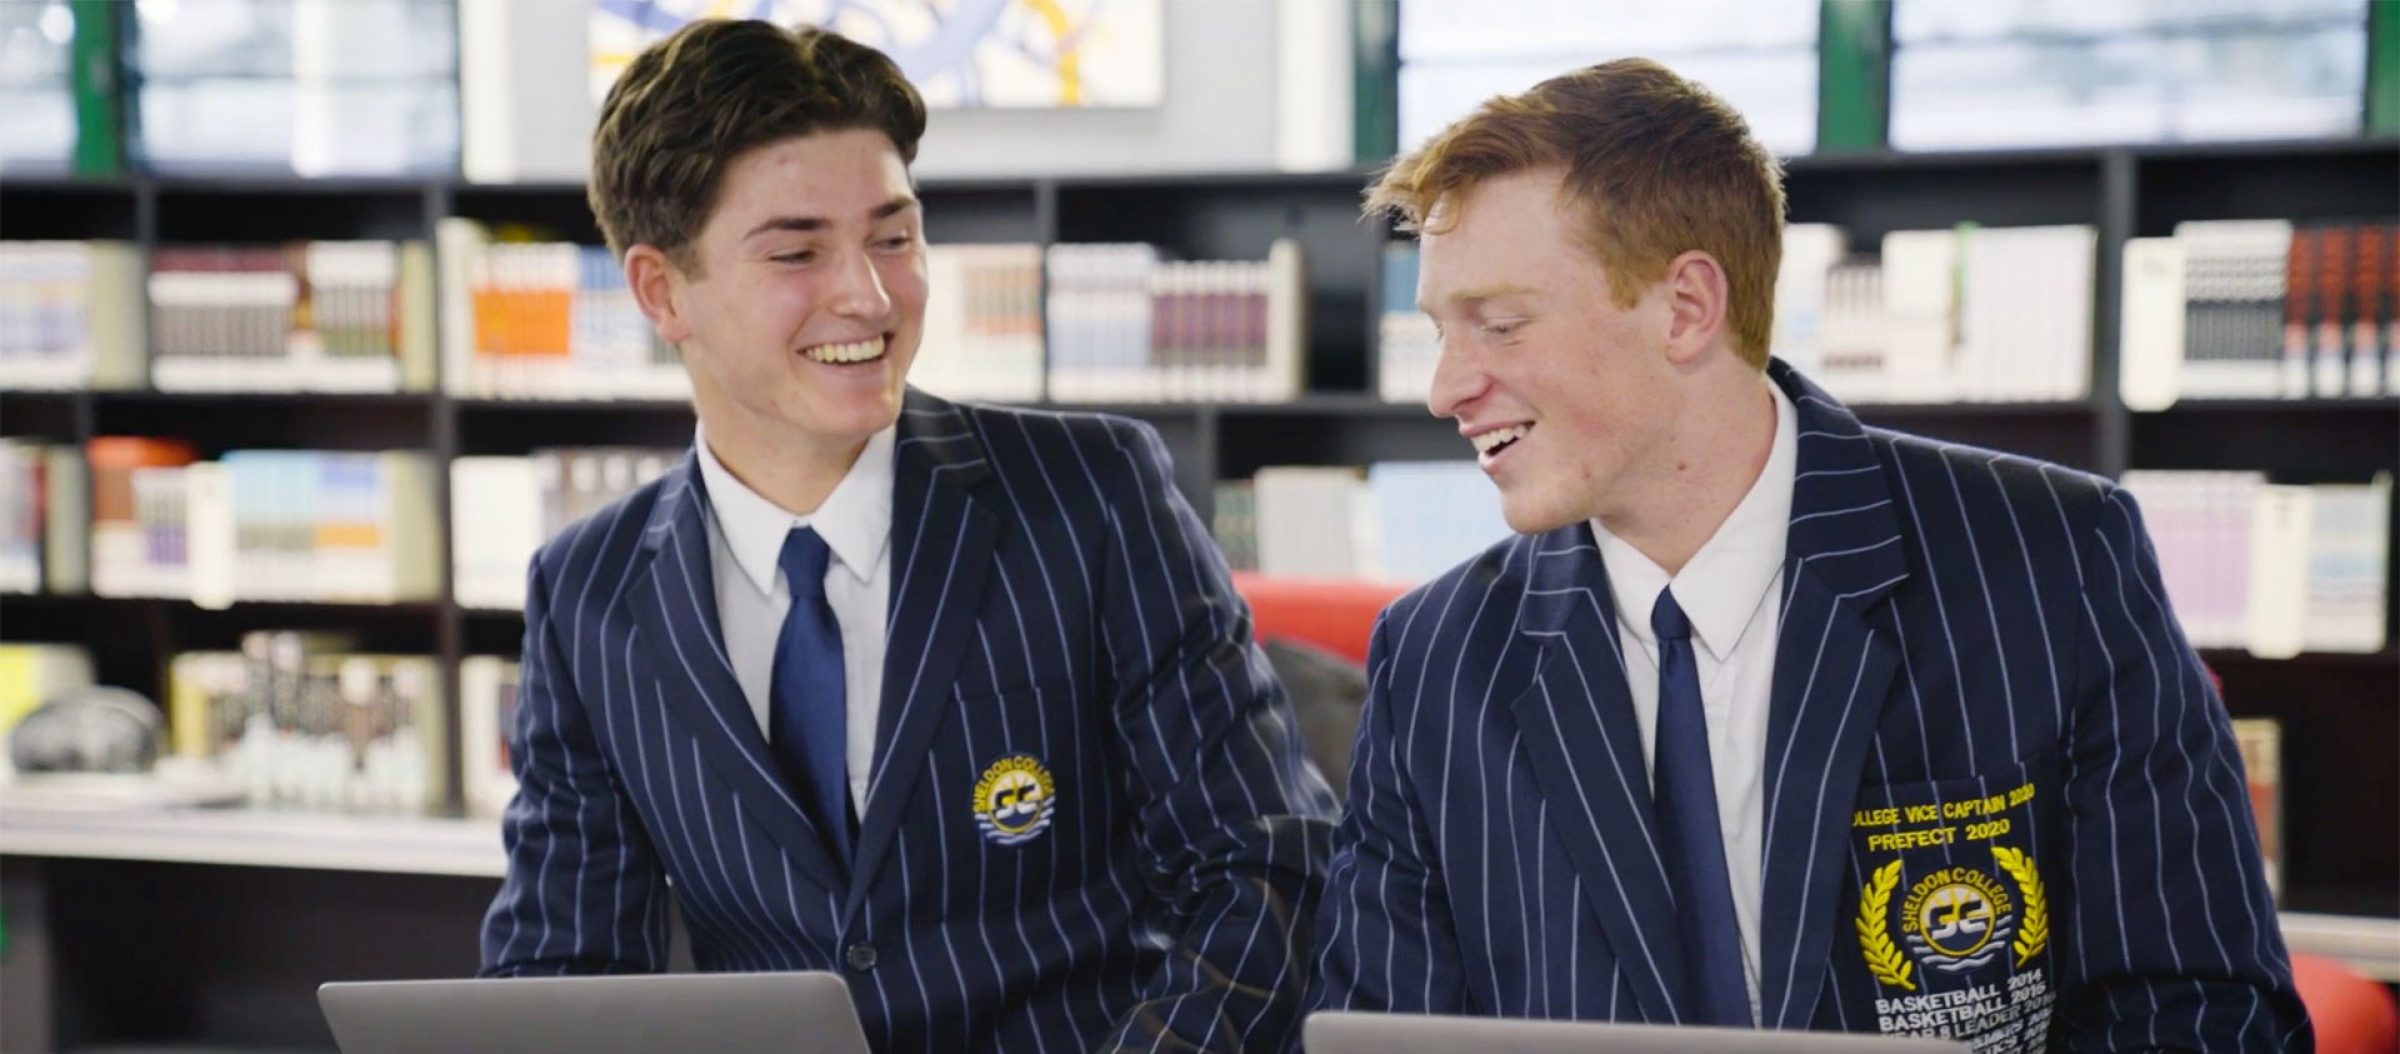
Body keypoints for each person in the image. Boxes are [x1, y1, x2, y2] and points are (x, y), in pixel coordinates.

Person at [1310, 58, 2309, 1051]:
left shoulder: (2053, 558)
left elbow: (2203, 1006)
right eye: (1441, 330)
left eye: (1500, 323)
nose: (1445, 389)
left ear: (1686, 307)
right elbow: (1388, 1028)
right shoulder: (1435, 654)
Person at [478, 20, 1335, 1052]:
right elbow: (563, 972)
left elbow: (1269, 858)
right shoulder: (589, 593)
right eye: (798, 250)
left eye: (894, 236)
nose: (870, 295)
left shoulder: (1095, 496)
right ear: (663, 291)